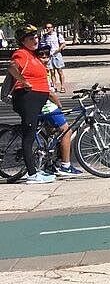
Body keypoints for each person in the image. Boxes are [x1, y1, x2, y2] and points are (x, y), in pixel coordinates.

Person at [7, 26, 55, 184]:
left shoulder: (32, 54)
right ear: (23, 41)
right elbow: (12, 67)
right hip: (27, 98)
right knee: (29, 136)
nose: (36, 40)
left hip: (37, 98)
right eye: (31, 38)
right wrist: (24, 81)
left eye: (36, 37)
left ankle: (44, 166)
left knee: (37, 131)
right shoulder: (21, 53)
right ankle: (32, 174)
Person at [34, 45, 83, 177]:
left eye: (47, 56)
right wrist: (59, 104)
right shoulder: (41, 71)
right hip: (47, 107)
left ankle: (52, 162)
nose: (45, 59)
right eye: (41, 56)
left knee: (53, 134)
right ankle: (65, 166)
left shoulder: (44, 70)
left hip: (41, 106)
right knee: (66, 131)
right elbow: (49, 93)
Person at [40, 23, 67, 93]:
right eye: (46, 27)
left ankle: (62, 86)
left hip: (57, 55)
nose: (47, 29)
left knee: (60, 71)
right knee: (52, 72)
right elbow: (42, 45)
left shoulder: (57, 35)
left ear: (52, 28)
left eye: (49, 27)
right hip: (49, 56)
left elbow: (63, 44)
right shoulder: (44, 36)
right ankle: (54, 86)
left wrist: (57, 50)